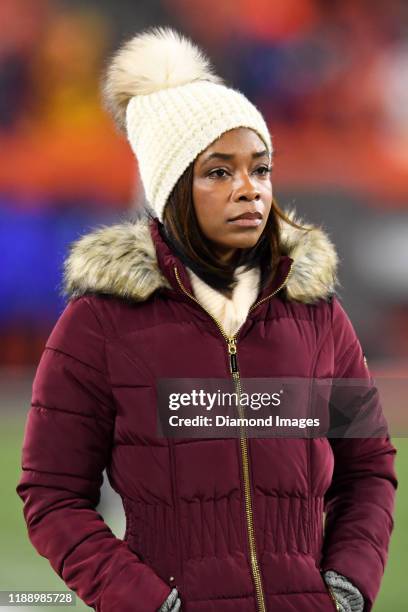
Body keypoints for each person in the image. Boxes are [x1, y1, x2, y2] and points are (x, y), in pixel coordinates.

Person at [16, 27, 397, 612]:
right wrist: (147, 602)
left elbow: (367, 467)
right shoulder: (99, 324)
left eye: (261, 169)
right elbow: (53, 496)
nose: (249, 190)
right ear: (171, 189)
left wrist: (346, 586)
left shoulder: (317, 314)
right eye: (219, 172)